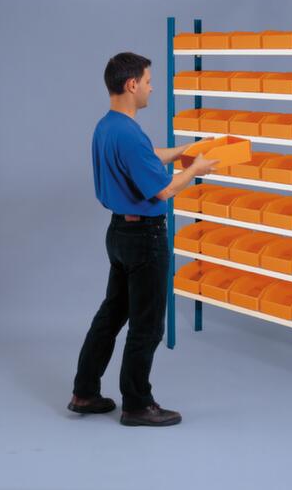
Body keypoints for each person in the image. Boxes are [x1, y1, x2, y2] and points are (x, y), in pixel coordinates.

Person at [67, 52, 218, 427]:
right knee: (147, 326)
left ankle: (84, 392)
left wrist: (184, 152)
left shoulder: (108, 126)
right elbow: (163, 191)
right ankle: (136, 404)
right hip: (145, 238)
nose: (152, 87)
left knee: (111, 315)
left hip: (119, 234)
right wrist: (197, 170)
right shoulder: (130, 133)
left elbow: (148, 157)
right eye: (148, 81)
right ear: (132, 84)